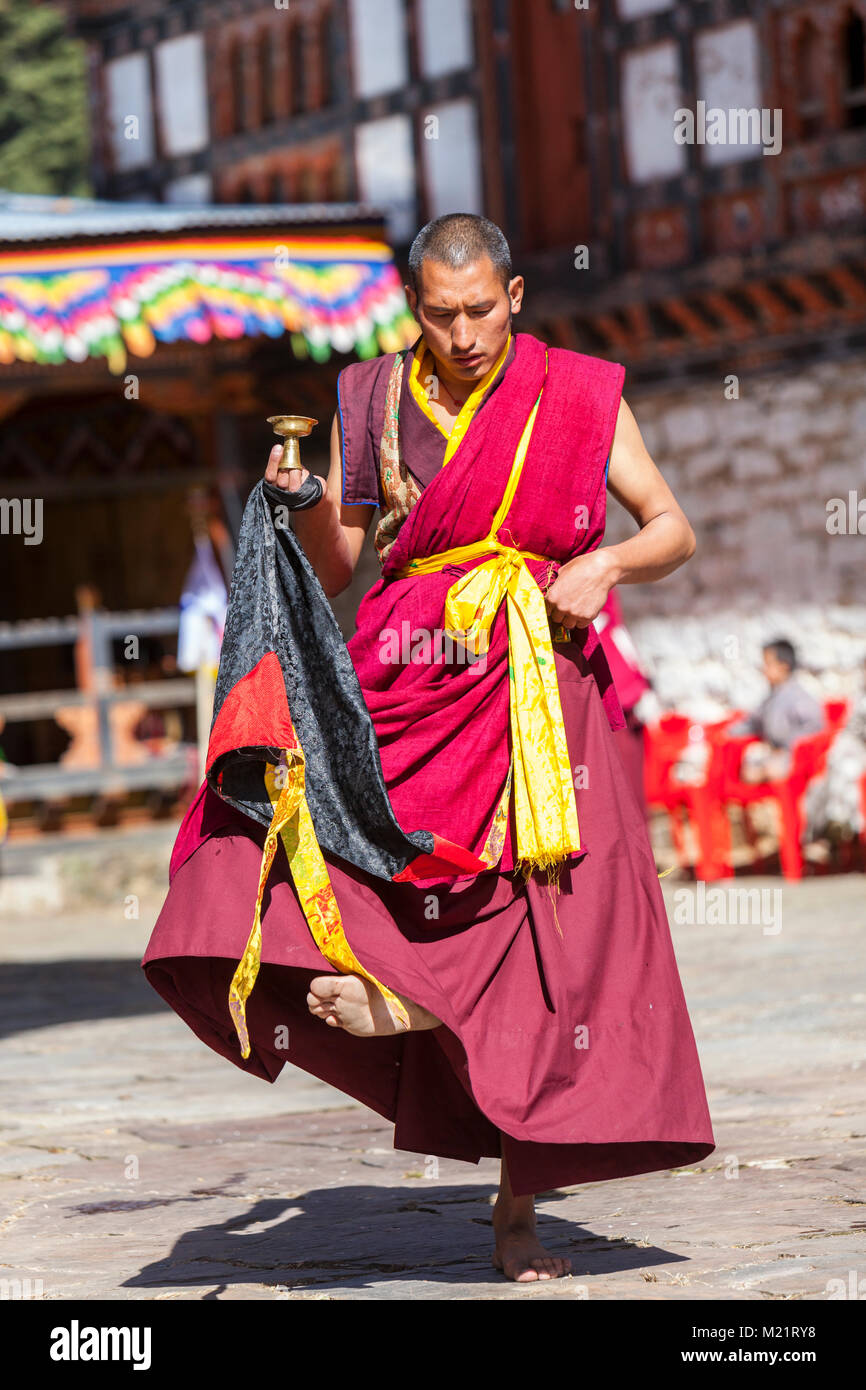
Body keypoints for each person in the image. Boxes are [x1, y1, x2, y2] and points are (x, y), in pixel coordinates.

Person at [144, 214, 714, 1284]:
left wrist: (610, 568)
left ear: (514, 296)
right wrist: (306, 500)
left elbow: (672, 525)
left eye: (479, 310)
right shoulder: (367, 395)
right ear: (416, 307)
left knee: (549, 925)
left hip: (537, 678)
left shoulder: (576, 392)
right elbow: (346, 557)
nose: (461, 334)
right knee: (372, 854)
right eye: (438, 314)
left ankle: (516, 1197)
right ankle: (394, 991)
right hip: (405, 673)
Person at [730, 639, 825, 783]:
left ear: (783, 667)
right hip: (773, 753)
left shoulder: (799, 697)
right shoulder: (771, 697)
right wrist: (729, 732)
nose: (764, 669)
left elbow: (814, 728)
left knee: (771, 768)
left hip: (793, 759)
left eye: (768, 664)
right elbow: (754, 721)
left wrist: (787, 746)